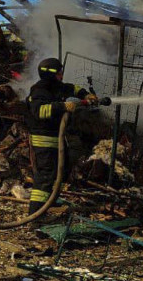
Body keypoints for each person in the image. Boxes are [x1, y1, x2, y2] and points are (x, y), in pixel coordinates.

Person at [25, 57, 97, 215]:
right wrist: (62, 106)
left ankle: (50, 201)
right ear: (50, 74)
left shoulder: (58, 87)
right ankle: (36, 214)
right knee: (46, 175)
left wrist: (85, 95)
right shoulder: (39, 90)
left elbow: (73, 88)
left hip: (56, 138)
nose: (61, 75)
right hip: (43, 140)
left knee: (61, 172)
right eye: (59, 73)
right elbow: (39, 111)